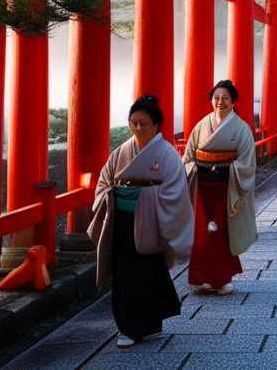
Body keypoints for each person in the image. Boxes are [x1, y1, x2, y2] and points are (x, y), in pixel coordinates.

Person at [88, 95, 193, 348]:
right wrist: (111, 195)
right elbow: (104, 181)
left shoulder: (166, 154)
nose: (138, 128)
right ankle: (127, 327)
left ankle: (150, 325)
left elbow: (176, 190)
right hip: (122, 219)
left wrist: (146, 196)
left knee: (148, 271)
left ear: (156, 125)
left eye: (144, 123)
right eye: (134, 122)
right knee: (124, 274)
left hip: (150, 221)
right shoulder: (121, 152)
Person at [183, 79, 258, 296]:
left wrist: (228, 168)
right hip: (203, 188)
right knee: (202, 234)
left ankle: (223, 279)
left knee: (223, 233)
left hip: (227, 188)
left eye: (225, 98)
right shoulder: (201, 126)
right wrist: (195, 168)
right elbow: (188, 157)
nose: (220, 102)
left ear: (233, 101)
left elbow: (247, 164)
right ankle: (204, 278)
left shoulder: (241, 129)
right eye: (216, 98)